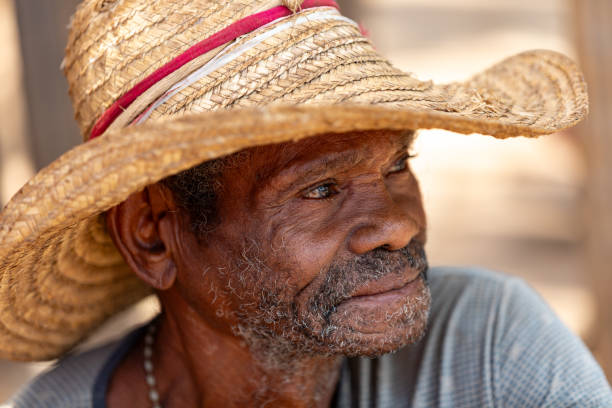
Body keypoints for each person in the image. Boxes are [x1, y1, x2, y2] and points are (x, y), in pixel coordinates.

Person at [1, 0, 611, 407]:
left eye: (398, 166)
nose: (399, 226)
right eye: (319, 190)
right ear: (152, 237)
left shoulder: (488, 345)